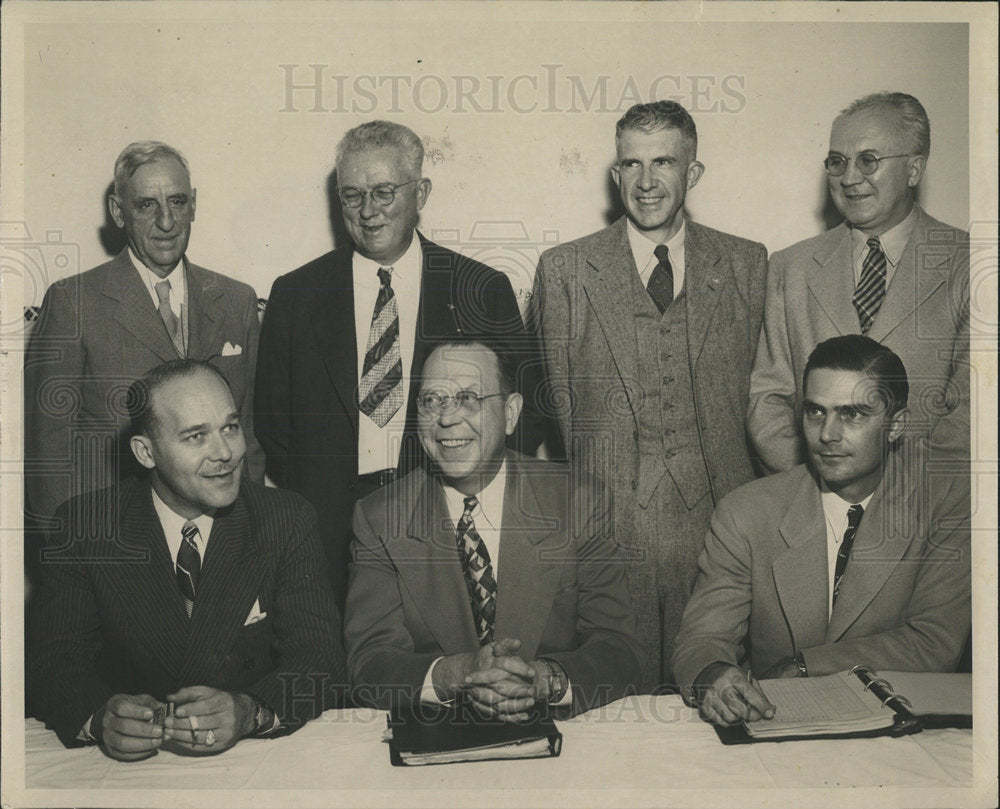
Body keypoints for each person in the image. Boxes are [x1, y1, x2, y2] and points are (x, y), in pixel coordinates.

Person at [531, 100, 767, 692]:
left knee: (715, 689)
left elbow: (764, 396)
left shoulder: (746, 263)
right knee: (617, 693)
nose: (646, 181)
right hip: (611, 524)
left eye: (663, 161)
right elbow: (558, 405)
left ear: (693, 171)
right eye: (630, 164)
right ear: (615, 176)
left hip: (721, 522)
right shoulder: (565, 270)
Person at [255, 120, 540, 608]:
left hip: (446, 524)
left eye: (384, 192)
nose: (368, 212)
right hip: (326, 535)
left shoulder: (480, 290)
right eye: (352, 196)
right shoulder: (296, 294)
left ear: (421, 192)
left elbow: (522, 417)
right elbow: (273, 426)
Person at [28, 360, 345, 758]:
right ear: (146, 453)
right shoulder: (85, 527)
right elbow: (54, 662)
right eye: (196, 436)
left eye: (230, 427)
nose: (226, 453)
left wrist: (251, 710)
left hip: (252, 759)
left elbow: (320, 660)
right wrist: (99, 717)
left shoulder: (286, 519)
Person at [673, 336, 970, 727]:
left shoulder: (948, 501)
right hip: (778, 728)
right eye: (815, 412)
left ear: (897, 425)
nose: (827, 434)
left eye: (852, 415)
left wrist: (803, 666)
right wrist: (712, 674)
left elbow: (933, 643)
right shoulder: (745, 513)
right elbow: (700, 640)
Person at [344, 339, 643, 717]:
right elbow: (368, 665)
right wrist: (459, 673)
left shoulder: (578, 502)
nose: (448, 418)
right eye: (432, 400)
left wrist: (545, 678)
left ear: (511, 412)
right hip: (438, 743)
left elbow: (620, 649)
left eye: (468, 398)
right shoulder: (379, 518)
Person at [24, 141, 264, 531]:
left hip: (218, 533)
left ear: (194, 205)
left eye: (178, 201)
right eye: (147, 205)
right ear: (119, 212)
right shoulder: (73, 302)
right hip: (114, 536)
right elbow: (49, 453)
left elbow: (248, 436)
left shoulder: (237, 300)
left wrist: (249, 534)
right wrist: (74, 554)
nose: (167, 221)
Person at [749, 92, 970, 474]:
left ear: (914, 170)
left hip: (926, 507)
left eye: (868, 160)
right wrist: (814, 490)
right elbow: (768, 400)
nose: (850, 178)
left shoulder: (971, 264)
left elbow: (975, 410)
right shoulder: (791, 266)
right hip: (815, 507)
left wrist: (898, 499)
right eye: (838, 162)